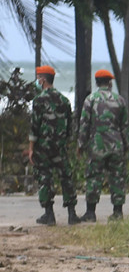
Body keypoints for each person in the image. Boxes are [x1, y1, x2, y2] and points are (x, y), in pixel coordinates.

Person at [27, 65, 78, 226]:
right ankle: (72, 214)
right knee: (66, 177)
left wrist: (31, 148)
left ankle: (49, 215)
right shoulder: (64, 100)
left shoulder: (38, 100)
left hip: (43, 147)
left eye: (38, 78)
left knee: (45, 178)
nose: (37, 81)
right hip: (60, 146)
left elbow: (34, 126)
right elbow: (70, 127)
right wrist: (66, 143)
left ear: (43, 80)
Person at [78, 69, 129, 222]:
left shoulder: (90, 100)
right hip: (116, 144)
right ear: (110, 82)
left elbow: (84, 124)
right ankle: (118, 212)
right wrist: (126, 145)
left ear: (97, 82)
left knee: (94, 177)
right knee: (117, 178)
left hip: (97, 145)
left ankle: (90, 212)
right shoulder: (120, 100)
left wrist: (81, 144)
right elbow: (125, 126)